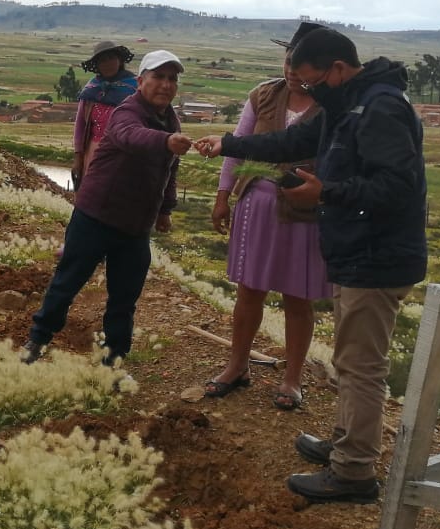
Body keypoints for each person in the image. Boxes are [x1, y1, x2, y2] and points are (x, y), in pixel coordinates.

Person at [194, 27, 427, 505]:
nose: (307, 89)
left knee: (361, 367)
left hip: (377, 255)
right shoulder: (348, 104)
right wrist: (229, 143)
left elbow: (398, 188)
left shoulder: (380, 108)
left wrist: (328, 193)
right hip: (355, 250)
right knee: (349, 359)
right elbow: (292, 140)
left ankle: (354, 472)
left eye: (312, 80)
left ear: (337, 68)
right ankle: (345, 443)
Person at [23, 50, 192, 366]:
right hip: (96, 216)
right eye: (158, 77)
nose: (166, 84)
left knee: (124, 299)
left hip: (136, 226)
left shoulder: (170, 120)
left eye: (172, 79)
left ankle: (113, 361)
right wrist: (166, 141)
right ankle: (37, 340)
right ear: (140, 81)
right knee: (67, 283)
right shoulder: (127, 111)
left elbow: (170, 169)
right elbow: (131, 137)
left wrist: (166, 209)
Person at [203, 24, 329, 409]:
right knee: (249, 291)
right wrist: (222, 198)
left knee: (298, 298)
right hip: (256, 206)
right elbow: (236, 148)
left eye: (299, 63)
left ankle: (292, 379)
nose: (291, 69)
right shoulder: (263, 95)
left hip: (304, 213)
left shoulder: (332, 106)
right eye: (287, 60)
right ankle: (237, 366)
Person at [72, 40, 138, 190]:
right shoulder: (91, 89)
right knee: (91, 194)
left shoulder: (135, 88)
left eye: (111, 58)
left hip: (123, 153)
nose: (108, 63)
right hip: (93, 152)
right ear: (97, 65)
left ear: (119, 60)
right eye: (102, 60)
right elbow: (80, 125)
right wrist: (78, 157)